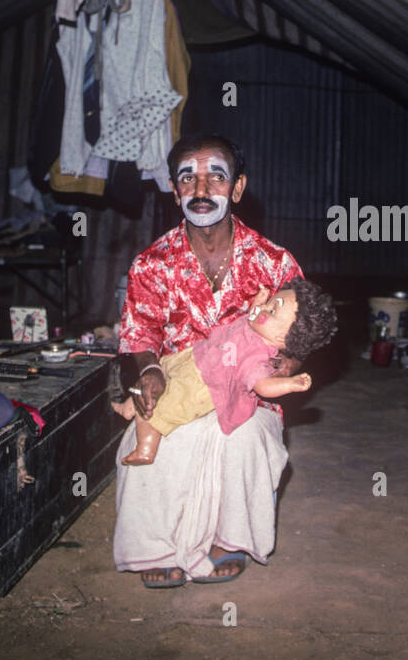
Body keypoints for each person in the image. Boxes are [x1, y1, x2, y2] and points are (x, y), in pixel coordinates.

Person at [113, 133, 304, 586]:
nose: (201, 191)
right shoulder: (150, 264)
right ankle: (155, 547)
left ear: (237, 189)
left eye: (215, 177)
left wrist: (283, 369)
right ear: (174, 189)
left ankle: (229, 538)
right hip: (179, 382)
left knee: (243, 438)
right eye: (188, 179)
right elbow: (139, 335)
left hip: (247, 391)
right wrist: (150, 371)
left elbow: (300, 334)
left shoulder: (275, 262)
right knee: (157, 434)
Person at [121, 279, 336, 465]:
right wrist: (262, 302)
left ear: (285, 340)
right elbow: (255, 313)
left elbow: (262, 385)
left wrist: (290, 384)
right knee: (162, 372)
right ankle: (128, 407)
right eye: (270, 302)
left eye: (271, 311)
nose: (263, 309)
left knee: (163, 408)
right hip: (194, 358)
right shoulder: (258, 326)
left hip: (202, 384)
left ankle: (146, 448)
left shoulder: (257, 358)